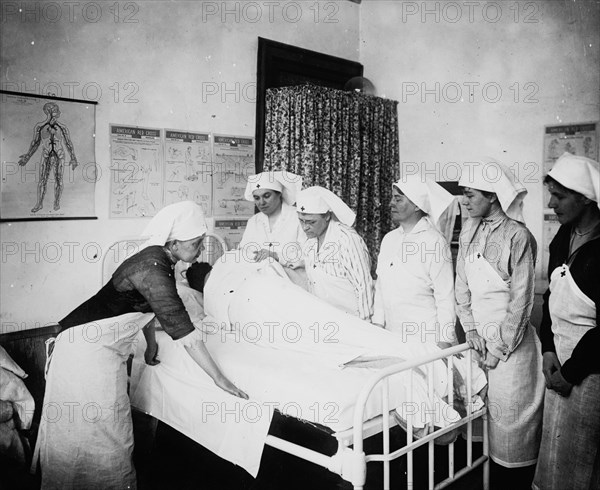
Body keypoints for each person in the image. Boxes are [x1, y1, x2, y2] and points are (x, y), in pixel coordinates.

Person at [35, 201, 247, 490]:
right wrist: (219, 378)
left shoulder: (158, 260)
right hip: (84, 352)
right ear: (173, 242)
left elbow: (145, 305)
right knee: (102, 434)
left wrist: (150, 344)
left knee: (98, 431)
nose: (199, 250)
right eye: (196, 244)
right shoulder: (153, 267)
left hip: (93, 348)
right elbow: (184, 332)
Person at [455, 158, 544, 488]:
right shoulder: (469, 231)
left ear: (492, 195)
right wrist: (471, 329)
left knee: (511, 429)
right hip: (477, 343)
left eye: (469, 194)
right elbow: (461, 286)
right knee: (478, 421)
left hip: (511, 348)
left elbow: (521, 302)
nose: (464, 201)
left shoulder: (518, 237)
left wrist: (497, 349)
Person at [533, 153, 600, 490]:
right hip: (558, 360)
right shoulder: (563, 237)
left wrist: (571, 373)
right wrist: (547, 350)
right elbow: (550, 300)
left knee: (582, 459)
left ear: (585, 197)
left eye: (559, 196)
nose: (551, 203)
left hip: (590, 371)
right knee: (555, 452)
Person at [373, 174, 457, 348]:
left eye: (398, 199)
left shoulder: (434, 242)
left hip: (425, 338)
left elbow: (445, 296)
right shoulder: (389, 239)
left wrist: (444, 340)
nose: (391, 204)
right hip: (391, 335)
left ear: (417, 206)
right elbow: (381, 287)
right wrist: (377, 325)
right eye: (392, 198)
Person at [296, 186, 374, 321]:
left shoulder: (346, 239)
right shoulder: (309, 242)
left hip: (353, 321)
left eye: (311, 222)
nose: (305, 227)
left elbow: (363, 285)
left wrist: (366, 324)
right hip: (325, 319)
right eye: (301, 221)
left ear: (327, 216)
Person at [18, 101, 78, 213]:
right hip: (46, 155)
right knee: (42, 181)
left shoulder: (62, 127)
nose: (59, 112)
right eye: (56, 110)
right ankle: (39, 204)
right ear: (48, 112)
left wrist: (73, 158)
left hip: (59, 156)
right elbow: (35, 143)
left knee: (59, 180)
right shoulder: (40, 127)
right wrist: (27, 156)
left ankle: (56, 202)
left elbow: (68, 143)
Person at [239, 171, 305, 270]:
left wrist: (277, 256)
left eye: (266, 196)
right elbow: (242, 250)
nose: (261, 202)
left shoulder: (298, 218)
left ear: (279, 194)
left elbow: (309, 254)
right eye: (257, 198)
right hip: (257, 275)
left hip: (289, 276)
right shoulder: (253, 221)